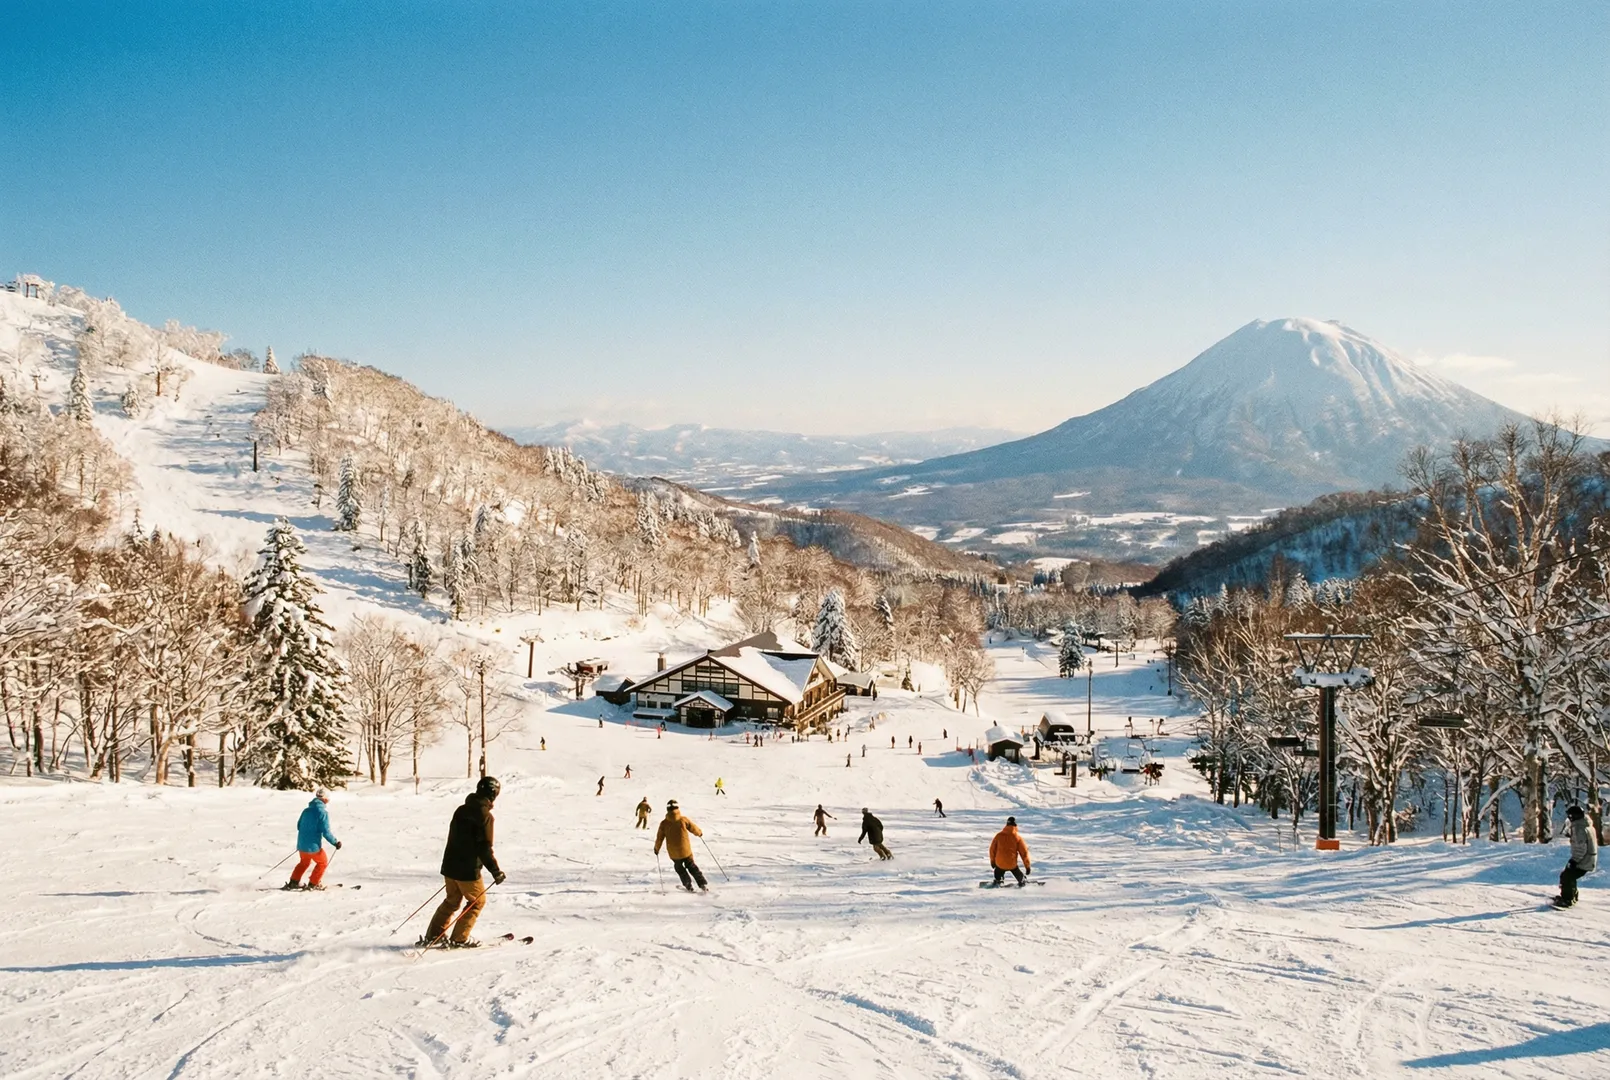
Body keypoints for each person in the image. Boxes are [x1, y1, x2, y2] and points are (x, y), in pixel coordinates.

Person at [422, 775, 506, 948]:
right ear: (493, 794)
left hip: (450, 865)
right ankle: (460, 938)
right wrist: (495, 870)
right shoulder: (485, 816)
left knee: (452, 901)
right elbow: (484, 847)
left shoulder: (461, 810)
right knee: (477, 902)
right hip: (468, 870)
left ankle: (433, 935)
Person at [285, 787, 341, 891]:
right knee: (322, 862)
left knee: (304, 862)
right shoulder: (323, 813)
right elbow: (326, 832)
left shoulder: (306, 811)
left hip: (301, 845)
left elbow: (298, 826)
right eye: (328, 798)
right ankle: (313, 883)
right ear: (325, 799)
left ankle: (294, 882)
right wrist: (335, 842)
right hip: (313, 847)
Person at [654, 799, 708, 892]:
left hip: (673, 853)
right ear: (677, 808)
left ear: (667, 810)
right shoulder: (683, 820)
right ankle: (702, 883)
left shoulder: (664, 823)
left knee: (679, 868)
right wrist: (699, 833)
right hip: (685, 850)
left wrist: (656, 848)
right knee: (691, 866)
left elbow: (659, 838)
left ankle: (688, 884)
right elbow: (693, 828)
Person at [1554, 805, 1599, 908]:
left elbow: (1580, 847)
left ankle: (1567, 899)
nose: (1569, 818)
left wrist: (1574, 860)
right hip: (1588, 858)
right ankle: (1572, 896)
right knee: (1569, 875)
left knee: (1567, 876)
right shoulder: (1586, 825)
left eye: (1570, 815)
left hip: (1584, 859)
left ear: (1575, 816)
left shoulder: (1579, 829)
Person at [989, 816, 1031, 887]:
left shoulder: (998, 836)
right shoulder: (1017, 837)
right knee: (1015, 870)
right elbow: (1024, 853)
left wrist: (992, 862)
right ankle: (1022, 881)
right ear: (1015, 825)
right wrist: (1027, 866)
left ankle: (999, 881)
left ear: (1006, 825)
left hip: (1000, 863)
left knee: (998, 870)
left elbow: (992, 850)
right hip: (1012, 864)